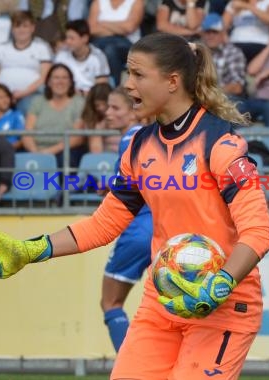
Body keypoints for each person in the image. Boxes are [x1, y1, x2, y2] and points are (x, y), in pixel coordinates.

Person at [0, 32, 269, 379]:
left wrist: (219, 283)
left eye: (137, 74)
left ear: (172, 81)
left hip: (222, 305)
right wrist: (31, 249)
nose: (128, 85)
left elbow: (258, 233)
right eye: (127, 74)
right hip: (163, 302)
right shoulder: (139, 147)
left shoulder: (221, 143)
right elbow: (103, 224)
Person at [99, 86, 152, 352]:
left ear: (134, 112)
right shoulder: (154, 135)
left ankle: (132, 369)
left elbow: (133, 187)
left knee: (110, 301)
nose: (108, 113)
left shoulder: (130, 137)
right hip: (169, 229)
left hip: (140, 229)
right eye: (108, 107)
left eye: (115, 107)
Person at [0, 11, 53, 116]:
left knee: (25, 108)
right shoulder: (0, 48)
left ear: (32, 28)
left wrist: (22, 93)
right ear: (12, 29)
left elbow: (45, 77)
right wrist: (2, 95)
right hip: (1, 94)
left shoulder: (41, 48)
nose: (21, 30)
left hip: (31, 94)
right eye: (17, 26)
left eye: (25, 26)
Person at [21, 63, 87, 167]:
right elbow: (27, 132)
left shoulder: (79, 102)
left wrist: (48, 152)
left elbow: (77, 138)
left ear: (70, 82)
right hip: (37, 149)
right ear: (49, 82)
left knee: (66, 159)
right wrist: (35, 152)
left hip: (64, 150)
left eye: (65, 78)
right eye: (56, 78)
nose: (60, 81)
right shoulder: (38, 101)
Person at [88, 0, 145, 87]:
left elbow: (130, 27)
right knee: (91, 49)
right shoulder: (98, 2)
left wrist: (103, 24)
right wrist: (120, 28)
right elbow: (91, 29)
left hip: (127, 44)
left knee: (110, 50)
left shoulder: (136, 2)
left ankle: (114, 86)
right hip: (100, 42)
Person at [54, 19, 111, 95]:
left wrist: (81, 93)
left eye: (72, 38)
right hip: (66, 97)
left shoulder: (98, 58)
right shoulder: (61, 55)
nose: (67, 41)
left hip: (90, 100)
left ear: (84, 38)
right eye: (67, 37)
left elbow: (101, 90)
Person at [200, 13, 248, 101]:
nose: (210, 36)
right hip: (201, 100)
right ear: (202, 34)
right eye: (207, 32)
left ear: (223, 33)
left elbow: (237, 87)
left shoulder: (233, 52)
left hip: (227, 99)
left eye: (215, 32)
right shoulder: (197, 53)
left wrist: (208, 94)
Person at [0, 84, 26, 151]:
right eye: (0, 97)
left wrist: (7, 149)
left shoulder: (17, 115)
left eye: (7, 96)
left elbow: (24, 139)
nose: (5, 100)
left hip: (12, 154)